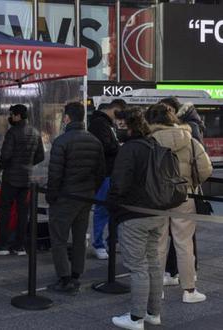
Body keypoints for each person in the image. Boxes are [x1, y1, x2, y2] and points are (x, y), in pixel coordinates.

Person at [145, 104, 212, 304]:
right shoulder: (190, 141)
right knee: (184, 244)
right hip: (185, 197)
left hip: (156, 198)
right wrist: (191, 184)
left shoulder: (148, 142)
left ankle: (157, 291)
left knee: (157, 244)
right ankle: (189, 290)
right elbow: (205, 169)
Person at [108, 108, 168, 330]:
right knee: (152, 262)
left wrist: (113, 205)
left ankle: (135, 318)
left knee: (137, 266)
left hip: (134, 213)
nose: (118, 130)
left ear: (129, 126)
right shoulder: (154, 145)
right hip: (158, 212)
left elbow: (120, 184)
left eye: (120, 125)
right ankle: (154, 313)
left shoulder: (130, 149)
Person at [46, 102, 105, 295]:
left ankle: (64, 278)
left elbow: (55, 174)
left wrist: (52, 196)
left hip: (65, 197)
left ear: (67, 118)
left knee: (59, 238)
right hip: (86, 196)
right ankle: (76, 274)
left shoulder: (61, 141)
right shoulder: (94, 141)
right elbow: (100, 172)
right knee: (80, 237)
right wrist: (91, 190)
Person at [0, 104, 44, 256]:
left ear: (18, 116)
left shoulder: (12, 132)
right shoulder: (35, 132)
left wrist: (5, 167)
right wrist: (27, 164)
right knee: (23, 213)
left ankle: (2, 245)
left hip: (11, 178)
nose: (11, 117)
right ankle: (19, 245)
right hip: (27, 178)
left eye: (12, 115)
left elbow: (6, 155)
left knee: (5, 211)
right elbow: (41, 155)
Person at [88, 101, 122, 260]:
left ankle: (109, 241)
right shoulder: (99, 124)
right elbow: (106, 146)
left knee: (111, 209)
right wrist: (119, 147)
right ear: (114, 109)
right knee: (102, 209)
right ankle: (98, 243)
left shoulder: (105, 124)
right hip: (105, 172)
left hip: (111, 172)